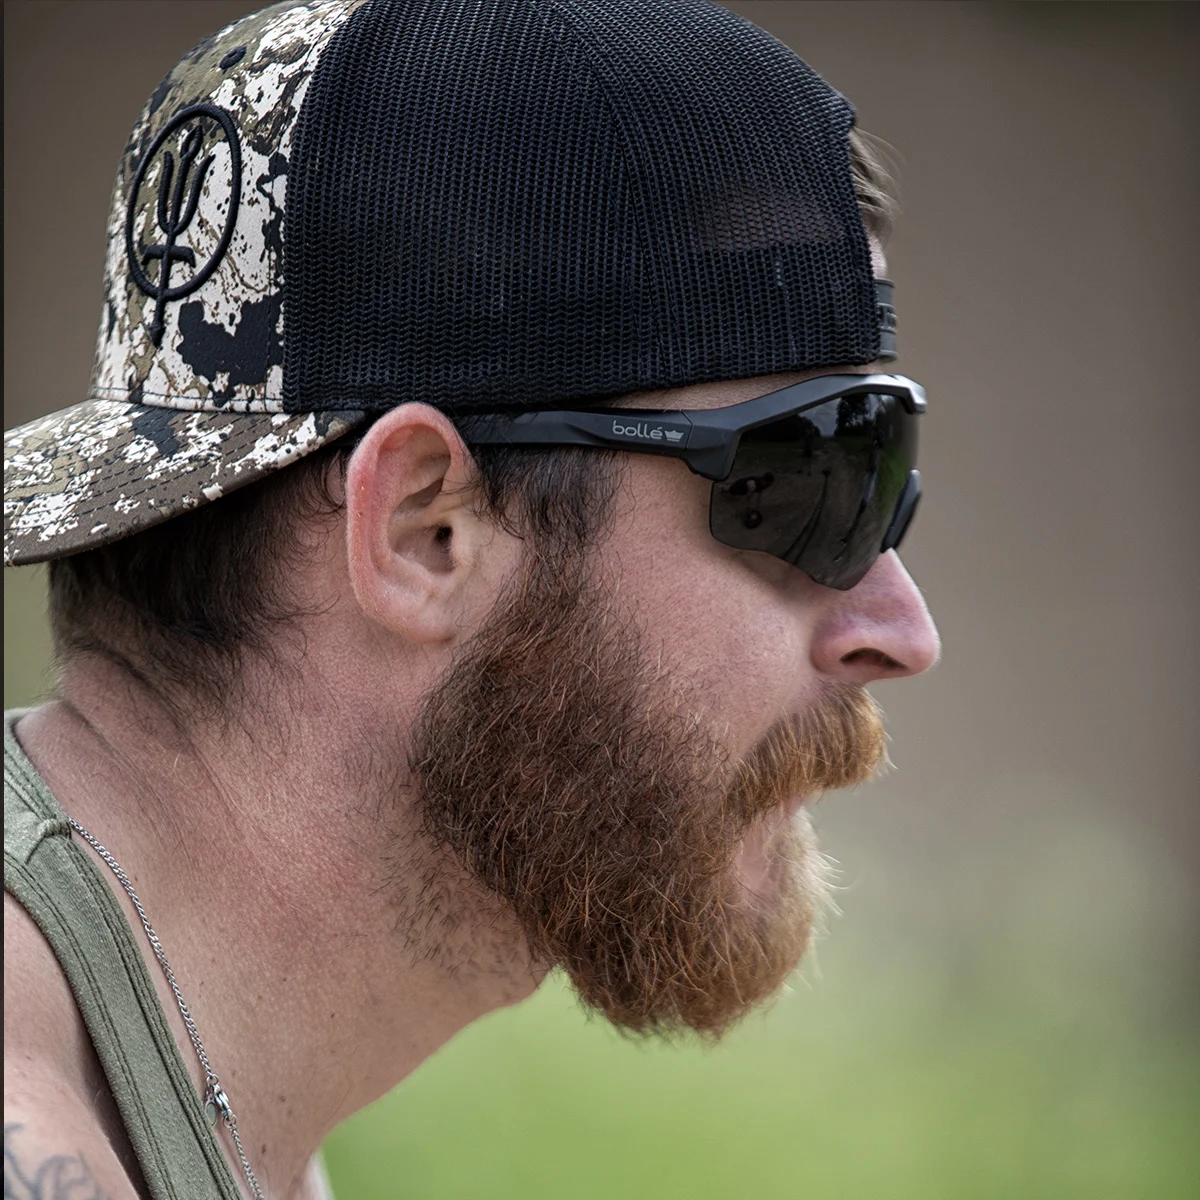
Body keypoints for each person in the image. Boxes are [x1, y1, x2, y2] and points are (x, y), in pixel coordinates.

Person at [3, 1, 940, 1196]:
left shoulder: (201, 1080)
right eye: (813, 476)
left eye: (890, 475)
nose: (901, 632)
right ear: (425, 529)